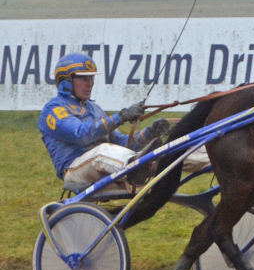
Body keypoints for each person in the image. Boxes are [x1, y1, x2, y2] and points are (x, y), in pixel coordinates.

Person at [38, 52, 170, 187]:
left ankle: (172, 160)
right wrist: (121, 117)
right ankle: (138, 167)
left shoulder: (95, 109)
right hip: (73, 169)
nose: (89, 84)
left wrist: (150, 133)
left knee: (164, 152)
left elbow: (122, 143)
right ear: (66, 81)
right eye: (83, 79)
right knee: (102, 151)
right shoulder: (53, 109)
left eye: (91, 78)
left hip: (104, 163)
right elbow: (80, 134)